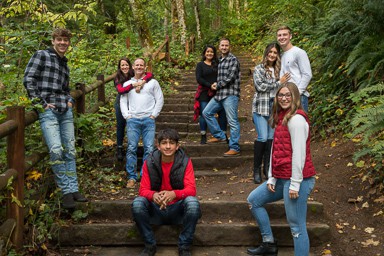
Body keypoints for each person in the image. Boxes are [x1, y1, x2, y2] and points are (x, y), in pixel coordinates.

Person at [246, 82, 316, 256]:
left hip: (297, 180)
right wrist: (272, 177)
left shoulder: (297, 119)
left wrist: (295, 184)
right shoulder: (281, 117)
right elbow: (276, 149)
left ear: (295, 98)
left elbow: (299, 154)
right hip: (281, 177)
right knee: (254, 200)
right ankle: (269, 243)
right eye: (281, 95)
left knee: (297, 227)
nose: (284, 98)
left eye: (288, 95)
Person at [23, 28, 87, 209]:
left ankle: (74, 189)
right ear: (53, 41)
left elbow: (65, 89)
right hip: (48, 111)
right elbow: (28, 79)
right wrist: (41, 104)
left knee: (70, 150)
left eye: (65, 40)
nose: (62, 43)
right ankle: (66, 192)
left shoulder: (64, 63)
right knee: (56, 150)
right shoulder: (41, 55)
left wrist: (69, 100)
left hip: (64, 111)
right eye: (59, 39)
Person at [132, 128, 201, 256]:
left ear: (177, 146)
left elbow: (191, 189)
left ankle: (184, 246)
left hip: (177, 209)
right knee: (137, 203)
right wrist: (154, 195)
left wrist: (174, 194)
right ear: (158, 146)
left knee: (193, 203)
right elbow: (143, 190)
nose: (168, 146)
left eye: (171, 143)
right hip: (156, 209)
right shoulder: (149, 162)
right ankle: (149, 245)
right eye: (164, 143)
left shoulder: (185, 162)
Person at [120, 58, 164, 188]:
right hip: (133, 120)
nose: (139, 67)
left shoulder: (153, 83)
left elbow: (160, 99)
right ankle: (131, 177)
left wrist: (153, 115)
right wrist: (127, 116)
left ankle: (146, 176)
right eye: (137, 65)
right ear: (133, 67)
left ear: (145, 67)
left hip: (148, 120)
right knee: (131, 148)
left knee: (149, 149)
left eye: (141, 65)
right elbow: (123, 101)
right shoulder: (127, 83)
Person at [252, 43, 290, 184]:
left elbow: (284, 87)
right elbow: (260, 86)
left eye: (275, 52)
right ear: (266, 53)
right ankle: (256, 169)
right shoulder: (259, 68)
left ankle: (267, 169)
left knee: (270, 138)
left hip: (274, 107)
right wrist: (278, 82)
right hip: (261, 106)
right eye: (270, 52)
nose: (272, 55)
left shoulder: (279, 70)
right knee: (262, 137)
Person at [202, 38, 241, 156]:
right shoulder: (219, 60)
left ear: (230, 47)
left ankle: (234, 147)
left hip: (230, 94)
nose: (224, 47)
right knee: (206, 112)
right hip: (219, 95)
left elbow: (230, 77)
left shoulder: (233, 60)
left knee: (232, 121)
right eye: (222, 45)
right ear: (219, 47)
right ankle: (220, 135)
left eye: (226, 45)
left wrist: (217, 85)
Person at [113, 57, 153, 161]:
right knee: (121, 125)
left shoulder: (133, 73)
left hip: (134, 100)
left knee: (135, 124)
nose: (124, 67)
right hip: (121, 101)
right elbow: (121, 90)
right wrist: (133, 85)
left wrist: (143, 82)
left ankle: (136, 146)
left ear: (130, 66)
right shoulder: (118, 77)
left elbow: (150, 75)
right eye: (122, 65)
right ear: (119, 67)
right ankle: (120, 148)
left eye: (126, 65)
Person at [194, 45, 227, 144]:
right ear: (204, 53)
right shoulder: (200, 65)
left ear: (214, 53)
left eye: (211, 52)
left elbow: (222, 75)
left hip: (218, 92)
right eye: (207, 51)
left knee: (222, 113)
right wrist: (209, 85)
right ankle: (203, 135)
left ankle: (223, 134)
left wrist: (217, 85)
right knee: (204, 113)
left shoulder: (217, 64)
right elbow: (199, 78)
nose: (209, 53)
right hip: (204, 92)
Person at [277, 25, 312, 112]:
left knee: (299, 124)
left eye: (285, 34)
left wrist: (297, 94)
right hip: (285, 99)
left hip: (299, 98)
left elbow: (307, 74)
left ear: (290, 36)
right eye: (279, 35)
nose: (282, 37)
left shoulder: (299, 52)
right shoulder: (281, 55)